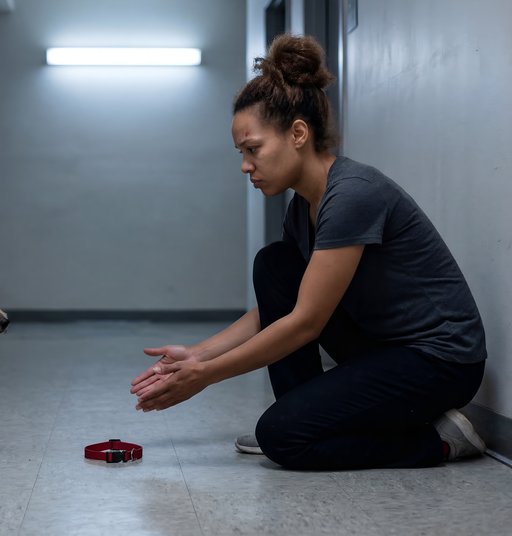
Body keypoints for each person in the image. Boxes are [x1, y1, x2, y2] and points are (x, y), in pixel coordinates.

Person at [129, 34, 487, 470]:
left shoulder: (353, 194)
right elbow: (277, 310)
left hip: (439, 360)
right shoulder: (303, 206)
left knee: (283, 438)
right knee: (275, 265)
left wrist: (205, 376)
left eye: (253, 149)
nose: (245, 165)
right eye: (241, 152)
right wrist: (199, 354)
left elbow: (306, 323)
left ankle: (442, 441)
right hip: (384, 347)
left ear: (298, 133)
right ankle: (307, 414)